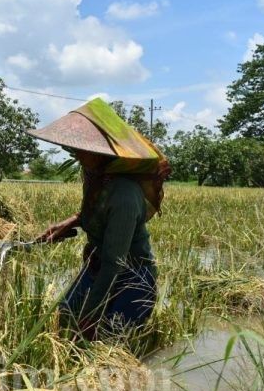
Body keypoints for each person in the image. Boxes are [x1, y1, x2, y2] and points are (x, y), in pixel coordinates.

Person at [30, 98, 170, 339]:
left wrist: (91, 312)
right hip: (99, 266)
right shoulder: (96, 179)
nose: (77, 155)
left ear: (103, 154)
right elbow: (94, 215)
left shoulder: (124, 195)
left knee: (107, 338)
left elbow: (114, 263)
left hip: (132, 278)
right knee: (64, 321)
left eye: (83, 150)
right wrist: (70, 222)